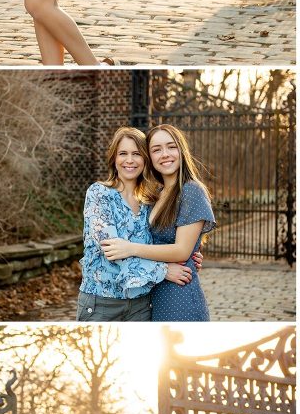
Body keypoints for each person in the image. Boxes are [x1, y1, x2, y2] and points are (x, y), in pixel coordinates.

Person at [77, 127, 195, 321]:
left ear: (145, 159)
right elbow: (112, 252)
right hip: (102, 303)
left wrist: (190, 253)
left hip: (142, 303)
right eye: (123, 153)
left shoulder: (150, 200)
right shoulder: (99, 194)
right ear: (114, 158)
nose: (129, 160)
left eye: (137, 154)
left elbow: (160, 240)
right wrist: (164, 270)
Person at [101, 124, 216, 321]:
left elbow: (181, 251)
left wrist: (130, 248)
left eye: (171, 147)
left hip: (179, 296)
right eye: (156, 149)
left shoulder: (191, 191)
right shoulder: (156, 195)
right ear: (149, 158)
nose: (165, 154)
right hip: (153, 292)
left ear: (181, 150)